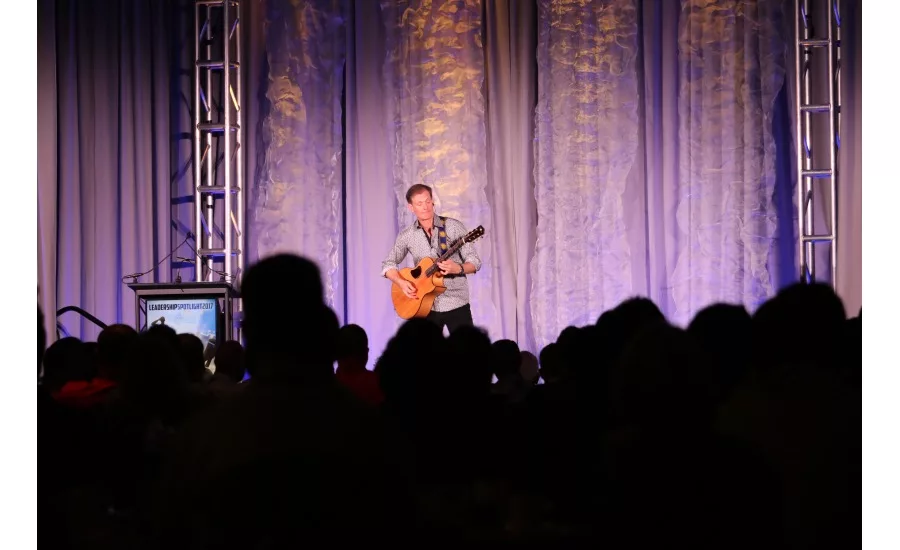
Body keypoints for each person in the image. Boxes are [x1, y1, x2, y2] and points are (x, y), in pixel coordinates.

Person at [381, 184, 481, 334]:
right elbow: (388, 264)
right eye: (419, 203)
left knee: (466, 354)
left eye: (428, 201)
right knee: (428, 356)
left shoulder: (453, 227)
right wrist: (401, 283)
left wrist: (458, 268)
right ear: (411, 207)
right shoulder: (407, 235)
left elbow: (475, 262)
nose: (425, 207)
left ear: (433, 201)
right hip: (425, 306)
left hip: (456, 302)